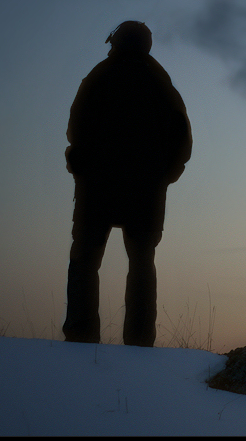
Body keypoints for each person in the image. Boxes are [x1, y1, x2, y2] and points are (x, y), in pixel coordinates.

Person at [63, 21, 192, 347]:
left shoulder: (99, 77)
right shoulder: (161, 83)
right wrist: (165, 175)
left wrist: (80, 164)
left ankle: (80, 337)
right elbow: (182, 138)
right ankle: (139, 343)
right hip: (144, 194)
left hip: (98, 189)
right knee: (141, 264)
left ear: (117, 43)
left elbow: (75, 128)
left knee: (85, 259)